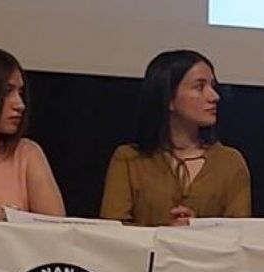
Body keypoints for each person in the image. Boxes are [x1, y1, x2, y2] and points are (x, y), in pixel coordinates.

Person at [100, 49, 251, 226]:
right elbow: (112, 231)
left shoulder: (230, 162)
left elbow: (240, 233)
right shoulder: (129, 159)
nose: (214, 96)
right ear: (169, 98)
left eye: (212, 86)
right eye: (199, 87)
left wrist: (199, 228)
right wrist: (165, 232)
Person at [0, 44, 65, 221]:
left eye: (20, 92)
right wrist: (7, 216)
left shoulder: (27, 154)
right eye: (7, 92)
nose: (20, 105)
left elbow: (55, 227)